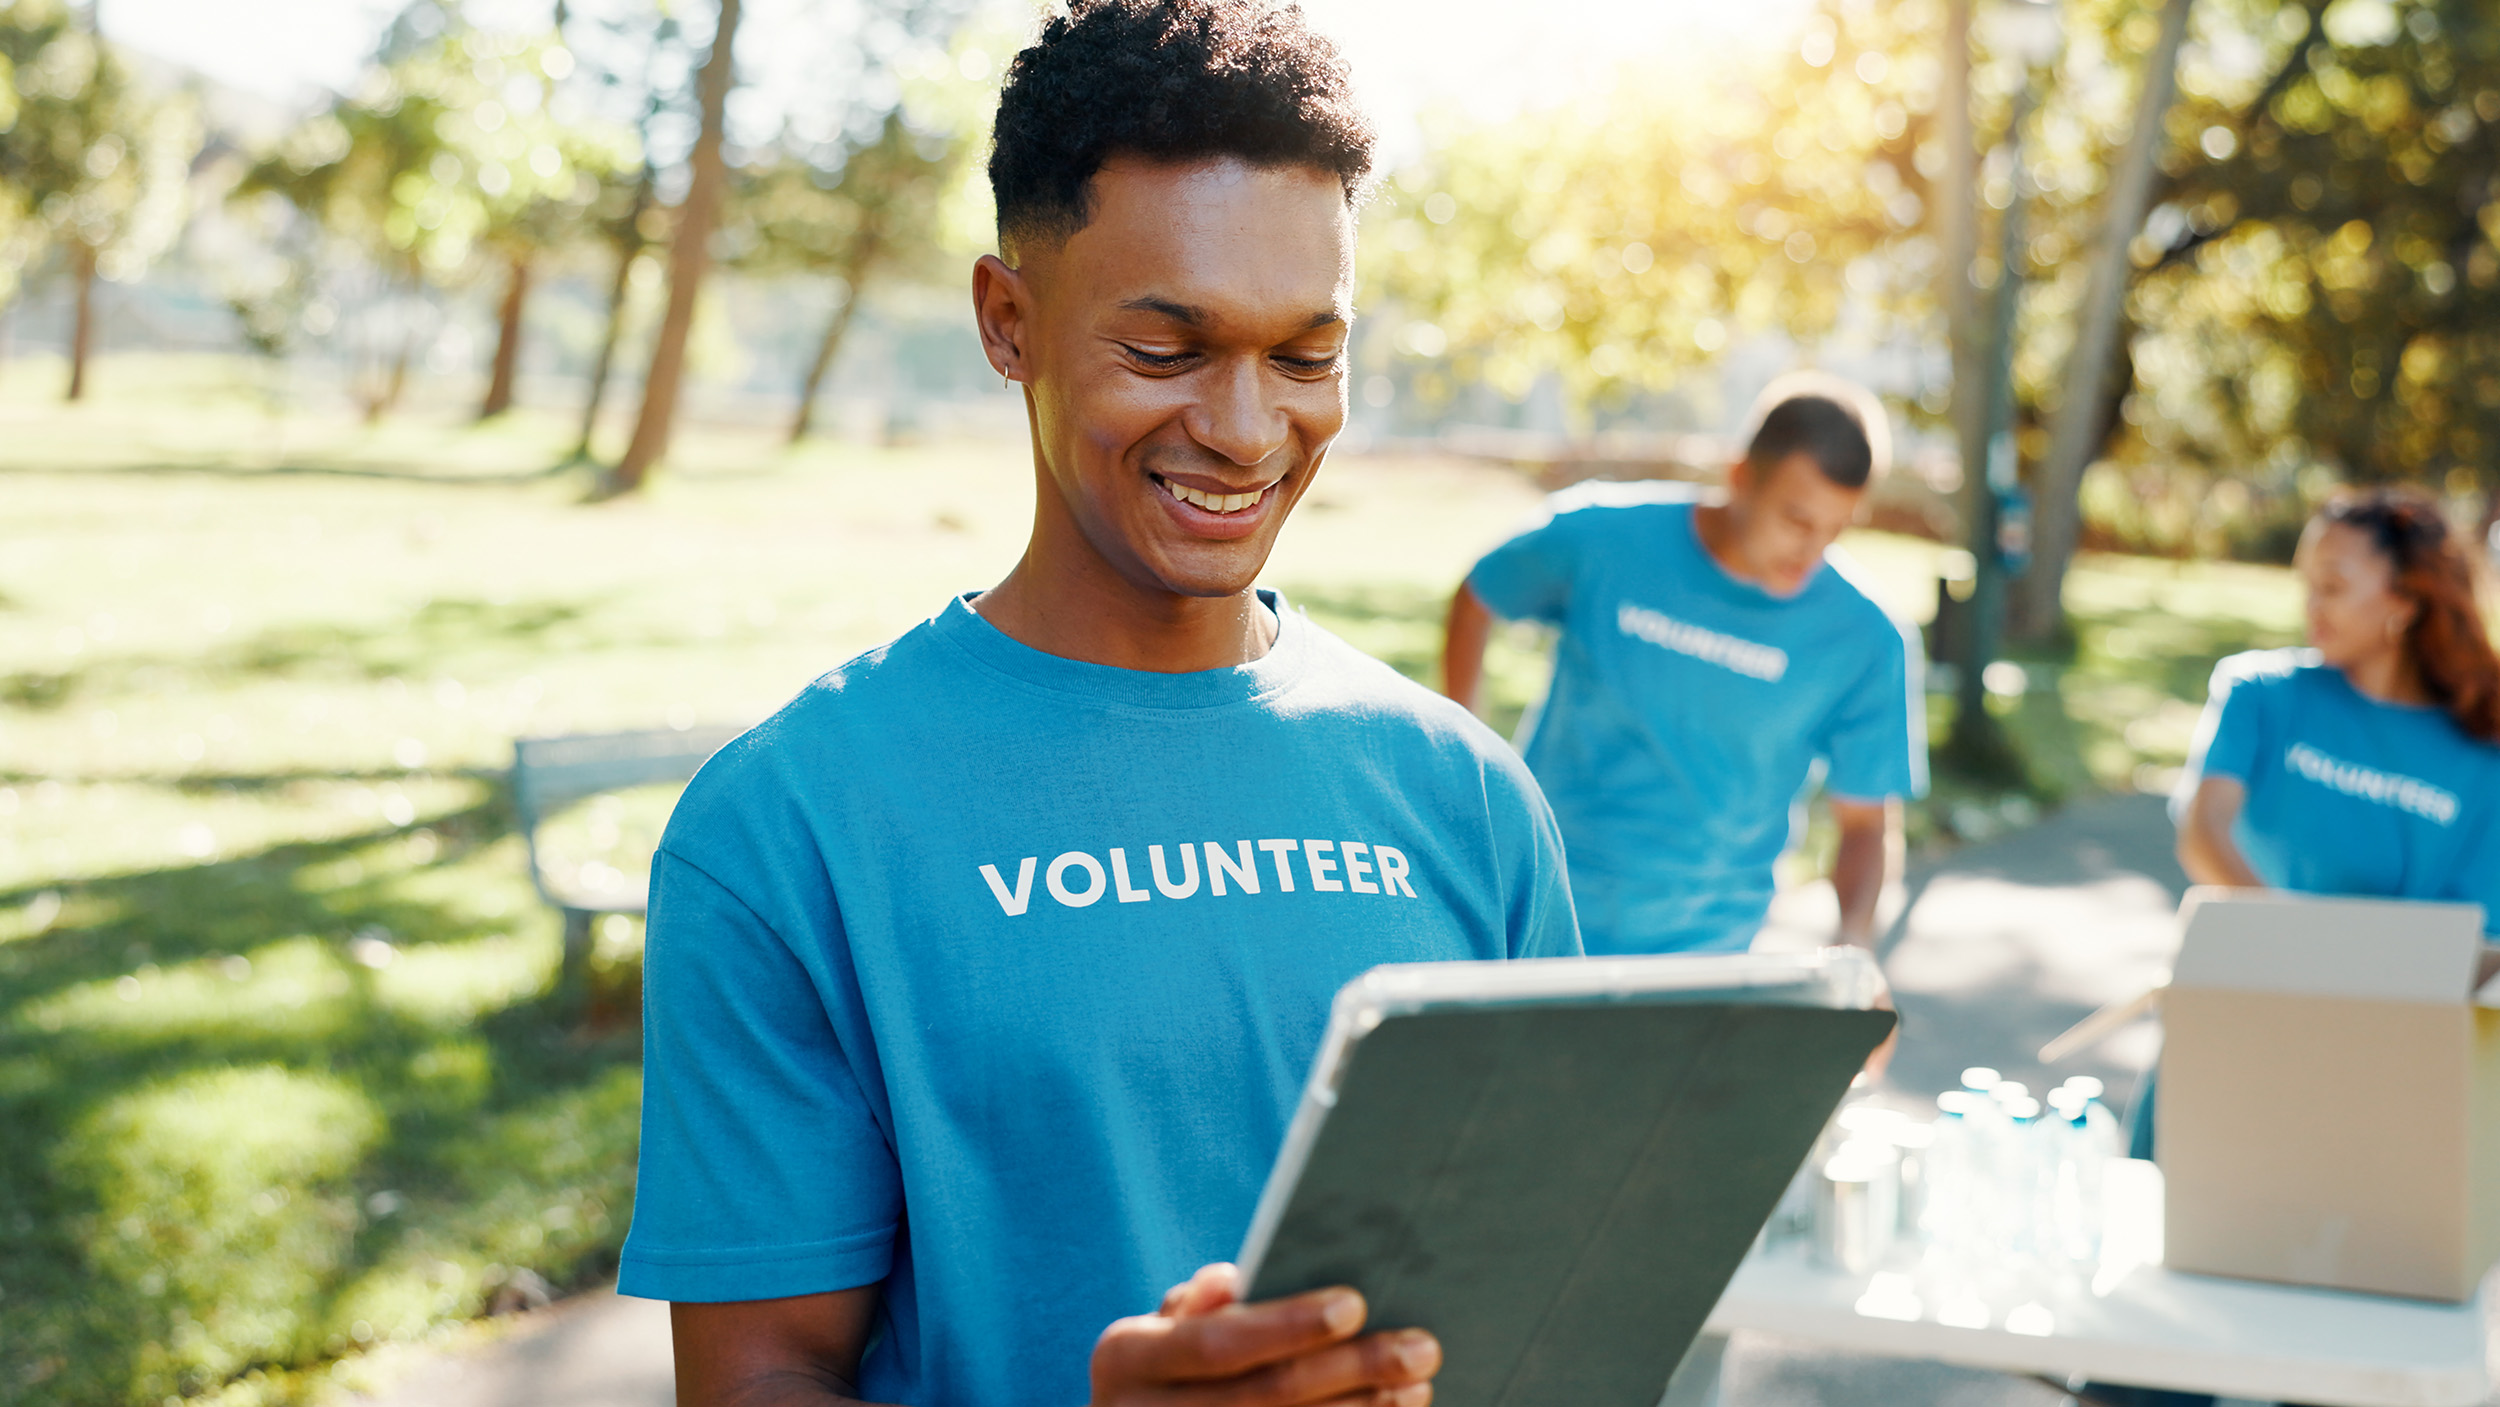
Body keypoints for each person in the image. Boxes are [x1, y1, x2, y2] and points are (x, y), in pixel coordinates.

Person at [616, 5, 1579, 1406]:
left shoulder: (1468, 797)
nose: (1249, 430)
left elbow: (1550, 1285)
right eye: (1169, 349)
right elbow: (757, 1377)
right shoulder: (788, 828)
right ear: (1011, 321)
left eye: (1307, 356)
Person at [1442, 374, 1927, 958]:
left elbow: (1865, 825)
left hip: (1708, 953)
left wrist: (1855, 944)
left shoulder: (1866, 638)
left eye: (1835, 529)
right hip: (1538, 916)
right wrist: (1470, 764)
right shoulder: (1601, 536)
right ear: (1741, 475)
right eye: (1797, 520)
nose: (1811, 552)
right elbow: (1480, 594)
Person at [2173, 485, 2500, 921]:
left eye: (2331, 585)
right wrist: (2294, 944)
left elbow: (2480, 934)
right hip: (2248, 969)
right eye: (2306, 584)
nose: (2311, 605)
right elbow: (2204, 833)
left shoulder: (2482, 749)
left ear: (2405, 600)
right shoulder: (2259, 692)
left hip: (2394, 988)